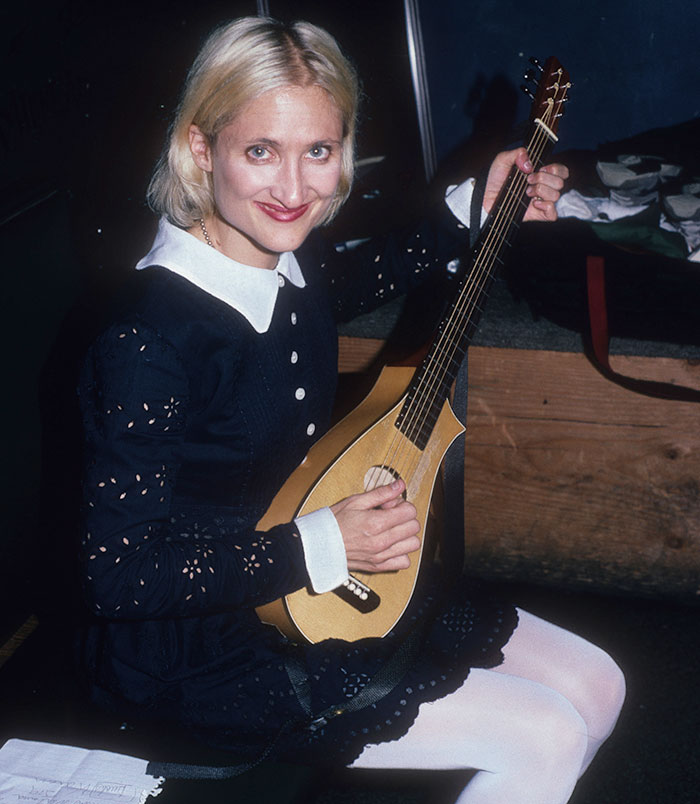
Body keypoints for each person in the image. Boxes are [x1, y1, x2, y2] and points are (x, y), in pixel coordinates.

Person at [76, 16, 625, 804]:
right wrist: (321, 542)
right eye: (260, 150)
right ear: (201, 149)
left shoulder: (281, 259)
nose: (296, 190)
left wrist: (478, 204)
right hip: (200, 649)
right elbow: (118, 576)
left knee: (597, 684)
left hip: (316, 578)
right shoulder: (147, 338)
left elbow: (356, 277)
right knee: (547, 734)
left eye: (319, 152)